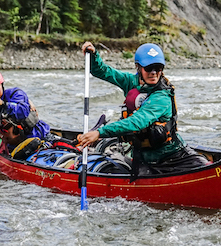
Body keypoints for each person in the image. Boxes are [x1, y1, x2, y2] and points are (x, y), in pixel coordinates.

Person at [76, 42, 210, 176]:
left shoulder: (162, 97)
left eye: (158, 68)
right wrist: (93, 56)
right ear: (138, 68)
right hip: (143, 158)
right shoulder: (130, 81)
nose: (154, 73)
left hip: (174, 156)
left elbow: (137, 122)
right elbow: (102, 71)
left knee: (204, 166)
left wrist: (99, 133)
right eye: (149, 68)